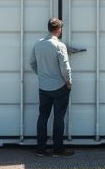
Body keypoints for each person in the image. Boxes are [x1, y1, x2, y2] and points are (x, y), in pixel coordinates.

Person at [29, 18, 73, 156]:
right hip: (59, 87)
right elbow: (65, 67)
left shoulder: (38, 44)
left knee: (43, 116)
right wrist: (68, 81)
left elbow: (32, 63)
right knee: (59, 118)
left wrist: (41, 75)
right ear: (59, 30)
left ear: (48, 28)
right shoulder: (60, 45)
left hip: (44, 87)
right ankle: (58, 149)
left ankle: (41, 149)